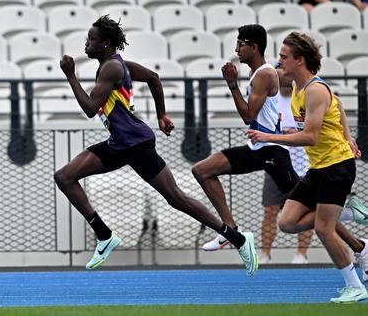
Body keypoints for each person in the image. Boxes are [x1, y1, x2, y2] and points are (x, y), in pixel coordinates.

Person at [54, 16, 258, 276]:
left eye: (91, 39)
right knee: (65, 176)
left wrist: (71, 76)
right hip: (120, 144)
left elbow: (91, 108)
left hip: (135, 144)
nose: (86, 44)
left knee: (176, 198)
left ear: (105, 43)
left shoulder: (111, 69)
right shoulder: (116, 65)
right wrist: (161, 115)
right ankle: (105, 235)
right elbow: (153, 77)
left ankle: (238, 239)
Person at [247, 31, 368, 303]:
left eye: (284, 56)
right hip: (318, 167)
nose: (279, 60)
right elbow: (339, 106)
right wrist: (348, 135)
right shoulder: (299, 89)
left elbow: (311, 136)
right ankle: (350, 213)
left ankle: (355, 285)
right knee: (287, 222)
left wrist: (269, 137)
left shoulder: (314, 89)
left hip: (337, 166)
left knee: (325, 229)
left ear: (299, 60)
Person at [192, 25, 301, 253]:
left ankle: (356, 239)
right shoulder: (260, 73)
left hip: (272, 151)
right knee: (202, 170)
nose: (236, 49)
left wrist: (232, 85)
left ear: (254, 47)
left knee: (310, 206)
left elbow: (248, 115)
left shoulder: (263, 74)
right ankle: (230, 231)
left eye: (241, 44)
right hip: (257, 148)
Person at [259, 68, 313, 265]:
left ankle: (301, 255)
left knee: (305, 211)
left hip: (302, 166)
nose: (284, 77)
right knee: (270, 210)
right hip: (276, 164)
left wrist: (295, 133)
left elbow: (314, 128)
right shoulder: (270, 99)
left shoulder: (305, 96)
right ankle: (264, 254)